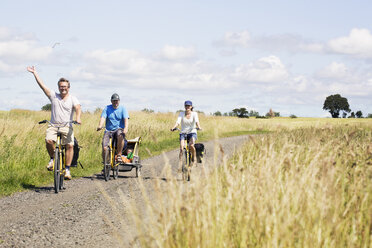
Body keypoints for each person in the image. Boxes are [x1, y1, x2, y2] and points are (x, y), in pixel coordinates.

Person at [27, 66, 81, 180]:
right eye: (61, 87)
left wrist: (78, 118)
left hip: (67, 126)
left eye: (65, 87)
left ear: (69, 87)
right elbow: (42, 86)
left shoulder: (72, 98)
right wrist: (35, 73)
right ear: (58, 87)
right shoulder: (53, 96)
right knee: (49, 140)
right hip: (53, 125)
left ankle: (67, 169)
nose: (63, 89)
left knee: (70, 145)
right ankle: (52, 159)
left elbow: (77, 107)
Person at [97, 93, 129, 166]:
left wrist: (126, 128)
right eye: (114, 101)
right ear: (111, 101)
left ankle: (119, 155)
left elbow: (126, 119)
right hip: (108, 130)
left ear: (119, 101)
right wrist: (100, 125)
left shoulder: (123, 109)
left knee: (120, 135)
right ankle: (106, 164)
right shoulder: (107, 108)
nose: (115, 102)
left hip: (119, 129)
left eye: (117, 101)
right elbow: (103, 117)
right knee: (104, 147)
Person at [171, 100, 202, 169]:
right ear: (184, 106)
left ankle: (194, 159)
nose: (187, 107)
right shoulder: (181, 114)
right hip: (183, 132)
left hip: (192, 132)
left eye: (188, 106)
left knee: (191, 145)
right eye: (186, 106)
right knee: (181, 148)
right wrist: (173, 127)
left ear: (191, 107)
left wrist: (199, 127)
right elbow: (178, 122)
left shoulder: (194, 114)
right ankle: (180, 164)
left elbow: (197, 121)